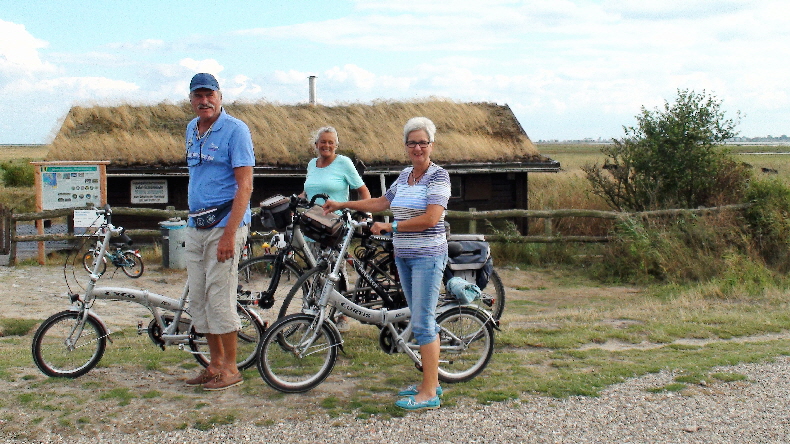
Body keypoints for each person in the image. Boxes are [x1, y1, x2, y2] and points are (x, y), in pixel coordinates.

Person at [323, 117, 450, 410]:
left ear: (431, 145)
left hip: (428, 255)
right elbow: (382, 202)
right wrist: (344, 204)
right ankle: (430, 383)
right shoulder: (406, 175)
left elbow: (432, 218)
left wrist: (392, 227)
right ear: (406, 146)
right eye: (412, 142)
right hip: (404, 256)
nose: (417, 147)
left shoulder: (438, 177)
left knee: (422, 322)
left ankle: (430, 392)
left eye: (422, 142)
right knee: (419, 317)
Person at [183, 73, 255, 391]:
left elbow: (245, 185)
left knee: (220, 299)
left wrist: (229, 235)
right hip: (195, 225)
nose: (204, 101)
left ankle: (231, 367)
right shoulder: (191, 129)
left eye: (209, 95)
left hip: (225, 226)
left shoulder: (236, 130)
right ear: (191, 99)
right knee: (198, 299)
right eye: (198, 96)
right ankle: (213, 364)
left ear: (220, 96)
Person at [300, 126, 370, 332]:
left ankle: (342, 316)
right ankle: (312, 314)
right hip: (312, 226)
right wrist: (293, 201)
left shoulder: (344, 163)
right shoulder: (312, 164)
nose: (326, 146)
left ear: (336, 145)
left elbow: (363, 191)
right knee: (313, 270)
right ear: (316, 145)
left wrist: (364, 213)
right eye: (323, 142)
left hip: (335, 227)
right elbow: (307, 191)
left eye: (330, 142)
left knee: (336, 270)